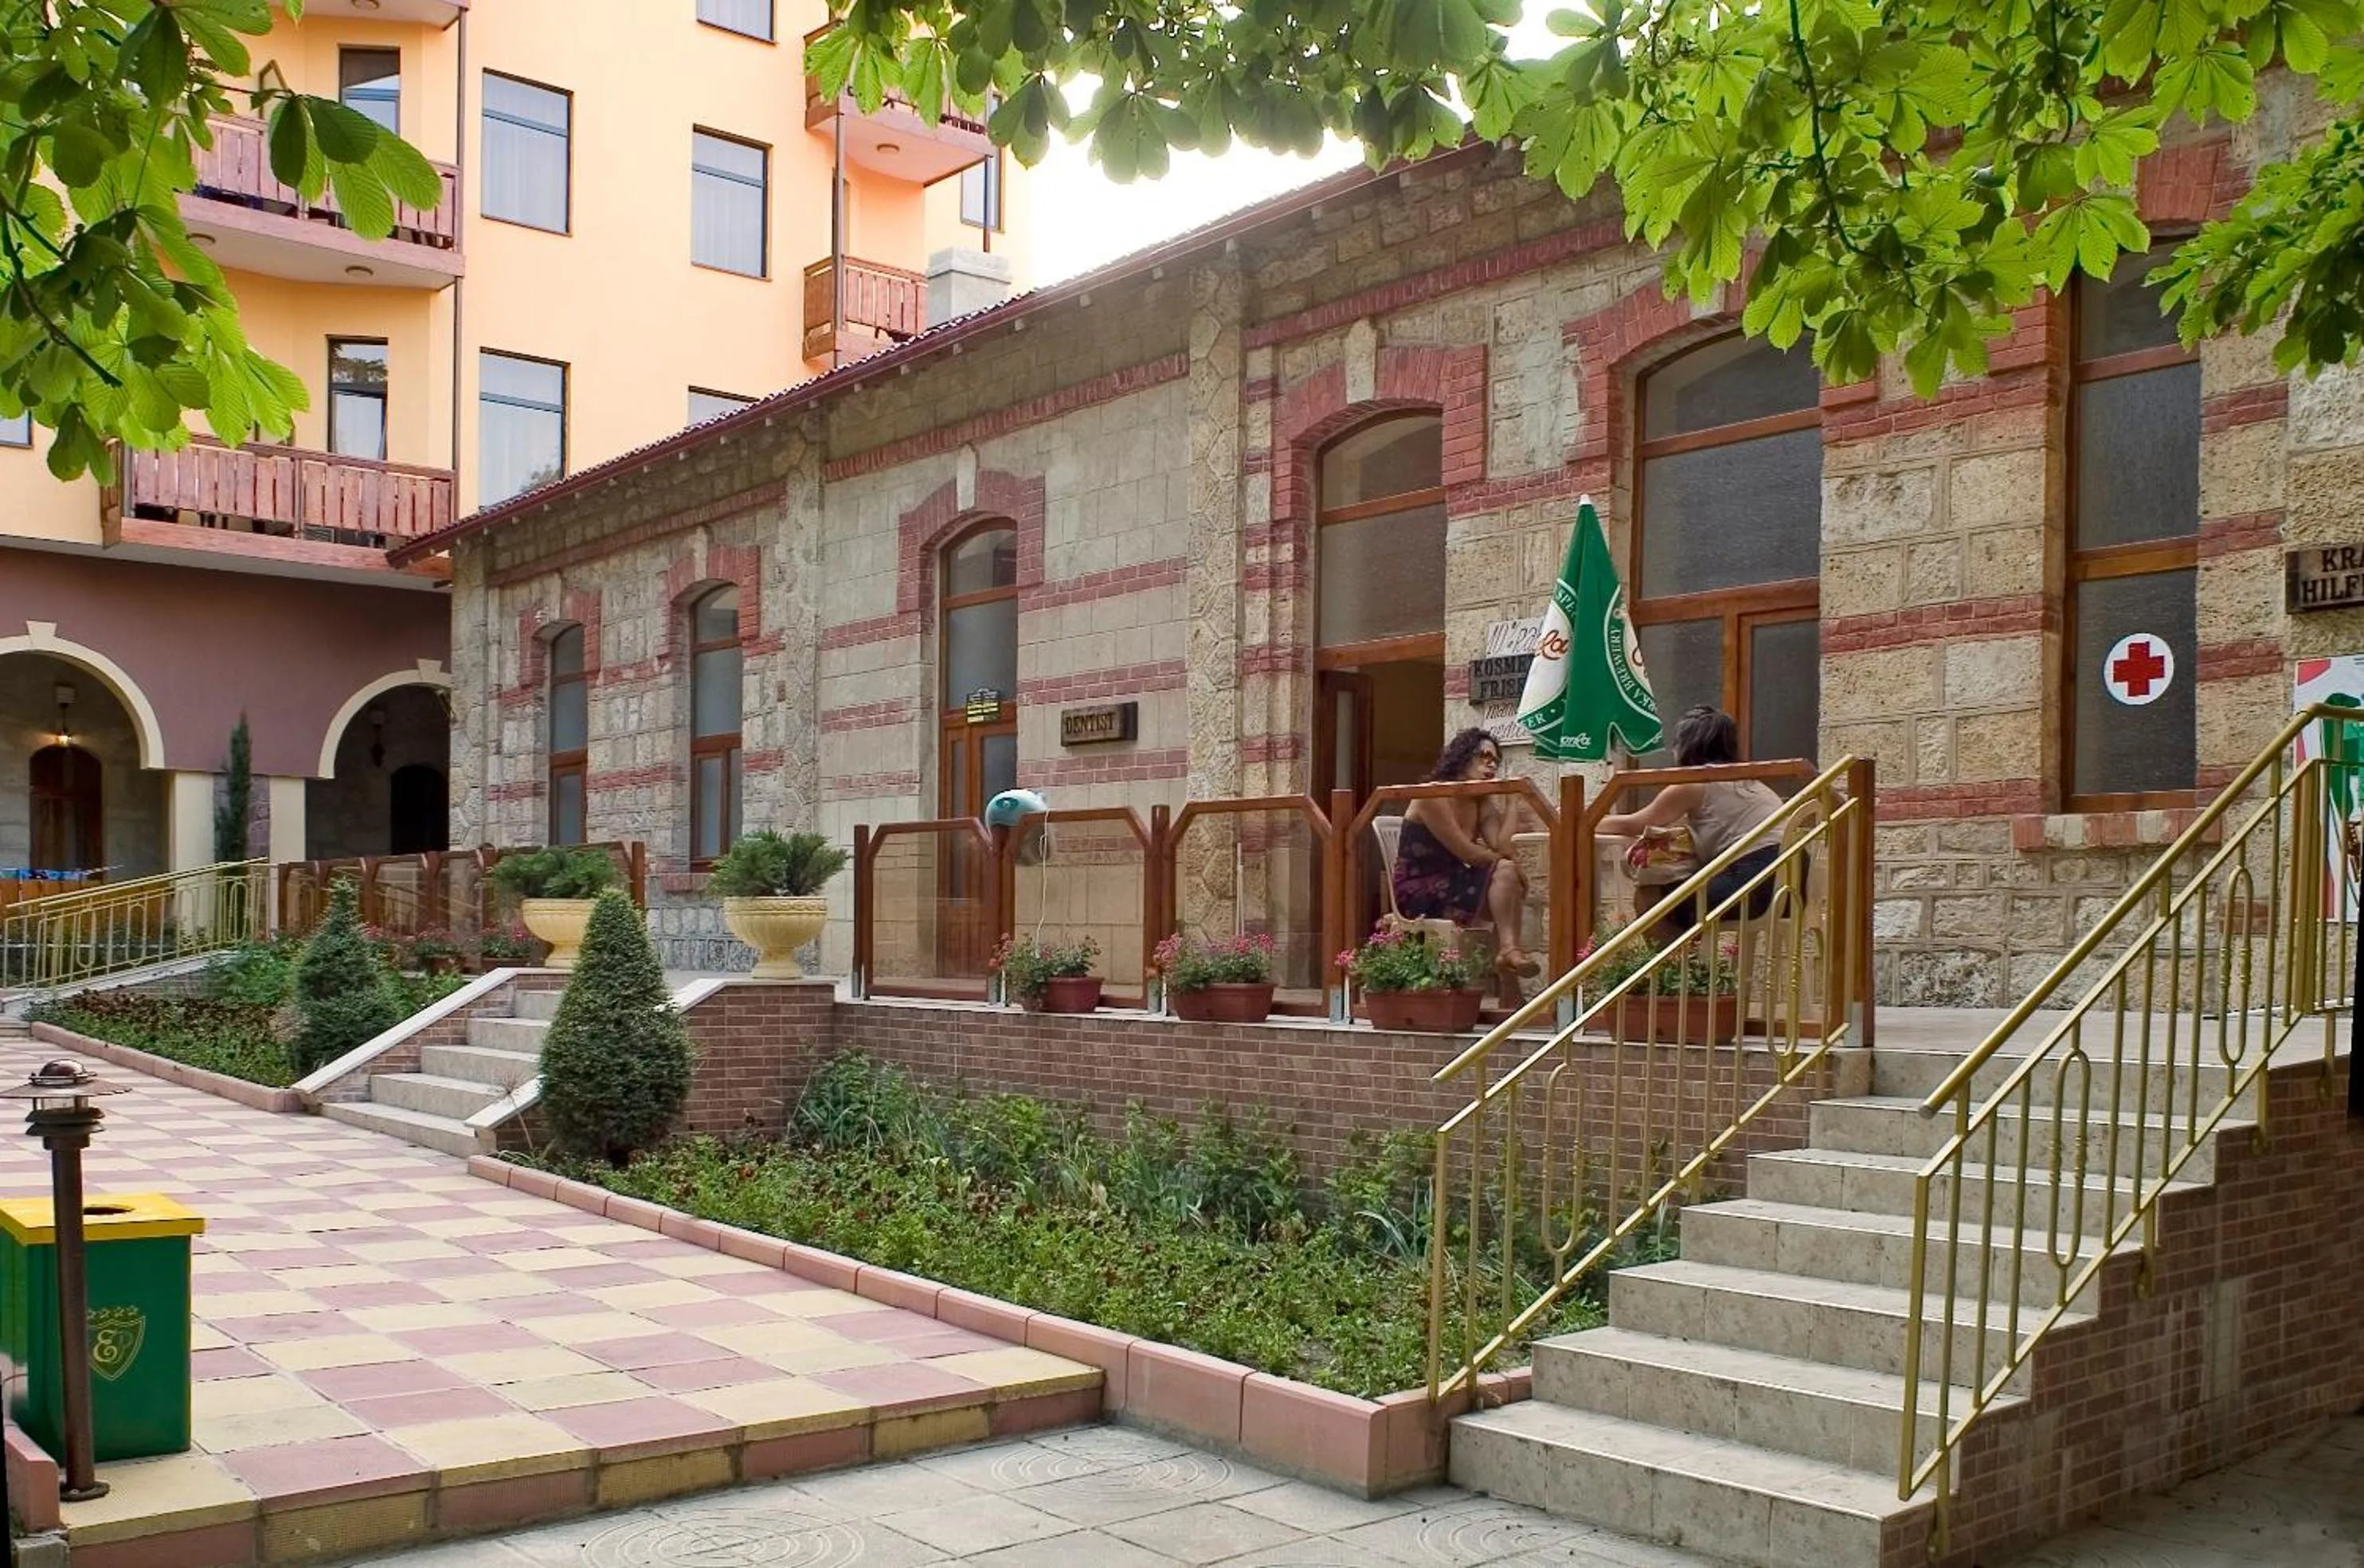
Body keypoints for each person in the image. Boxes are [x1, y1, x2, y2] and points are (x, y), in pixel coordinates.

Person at [1599, 706, 1790, 944]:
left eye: (1677, 743)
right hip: (1793, 882)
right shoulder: (1752, 783)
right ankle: (1689, 971)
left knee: (1654, 898)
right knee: (1683, 897)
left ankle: (1670, 974)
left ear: (1688, 746)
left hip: (1757, 880)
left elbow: (1635, 824)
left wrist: (1586, 818)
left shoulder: (1694, 782)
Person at [1391, 728, 1541, 979]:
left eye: (1495, 761)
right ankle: (1508, 966)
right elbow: (1468, 853)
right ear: (1461, 759)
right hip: (1420, 889)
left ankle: (1508, 952)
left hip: (1456, 881)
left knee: (1507, 875)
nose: (1491, 765)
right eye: (1484, 756)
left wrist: (1514, 802)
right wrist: (1509, 866)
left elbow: (1503, 847)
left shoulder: (1481, 802)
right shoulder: (1432, 795)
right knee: (1506, 874)